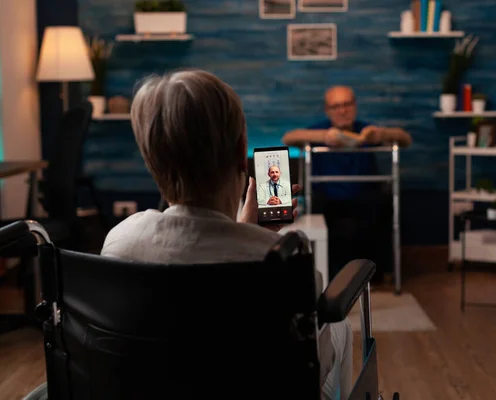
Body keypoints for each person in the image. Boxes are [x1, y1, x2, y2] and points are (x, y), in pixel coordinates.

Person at [100, 69, 353, 400]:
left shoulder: (120, 242)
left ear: (152, 159)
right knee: (339, 326)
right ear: (241, 150)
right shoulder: (287, 266)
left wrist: (246, 232)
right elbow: (313, 368)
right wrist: (252, 239)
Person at [282, 85, 412, 281]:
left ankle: (374, 274)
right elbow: (289, 138)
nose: (342, 111)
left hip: (365, 197)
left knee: (381, 206)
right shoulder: (320, 129)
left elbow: (405, 138)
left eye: (347, 104)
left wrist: (380, 135)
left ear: (355, 105)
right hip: (328, 200)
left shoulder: (365, 129)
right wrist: (325, 137)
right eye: (336, 106)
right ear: (328, 110)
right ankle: (330, 276)